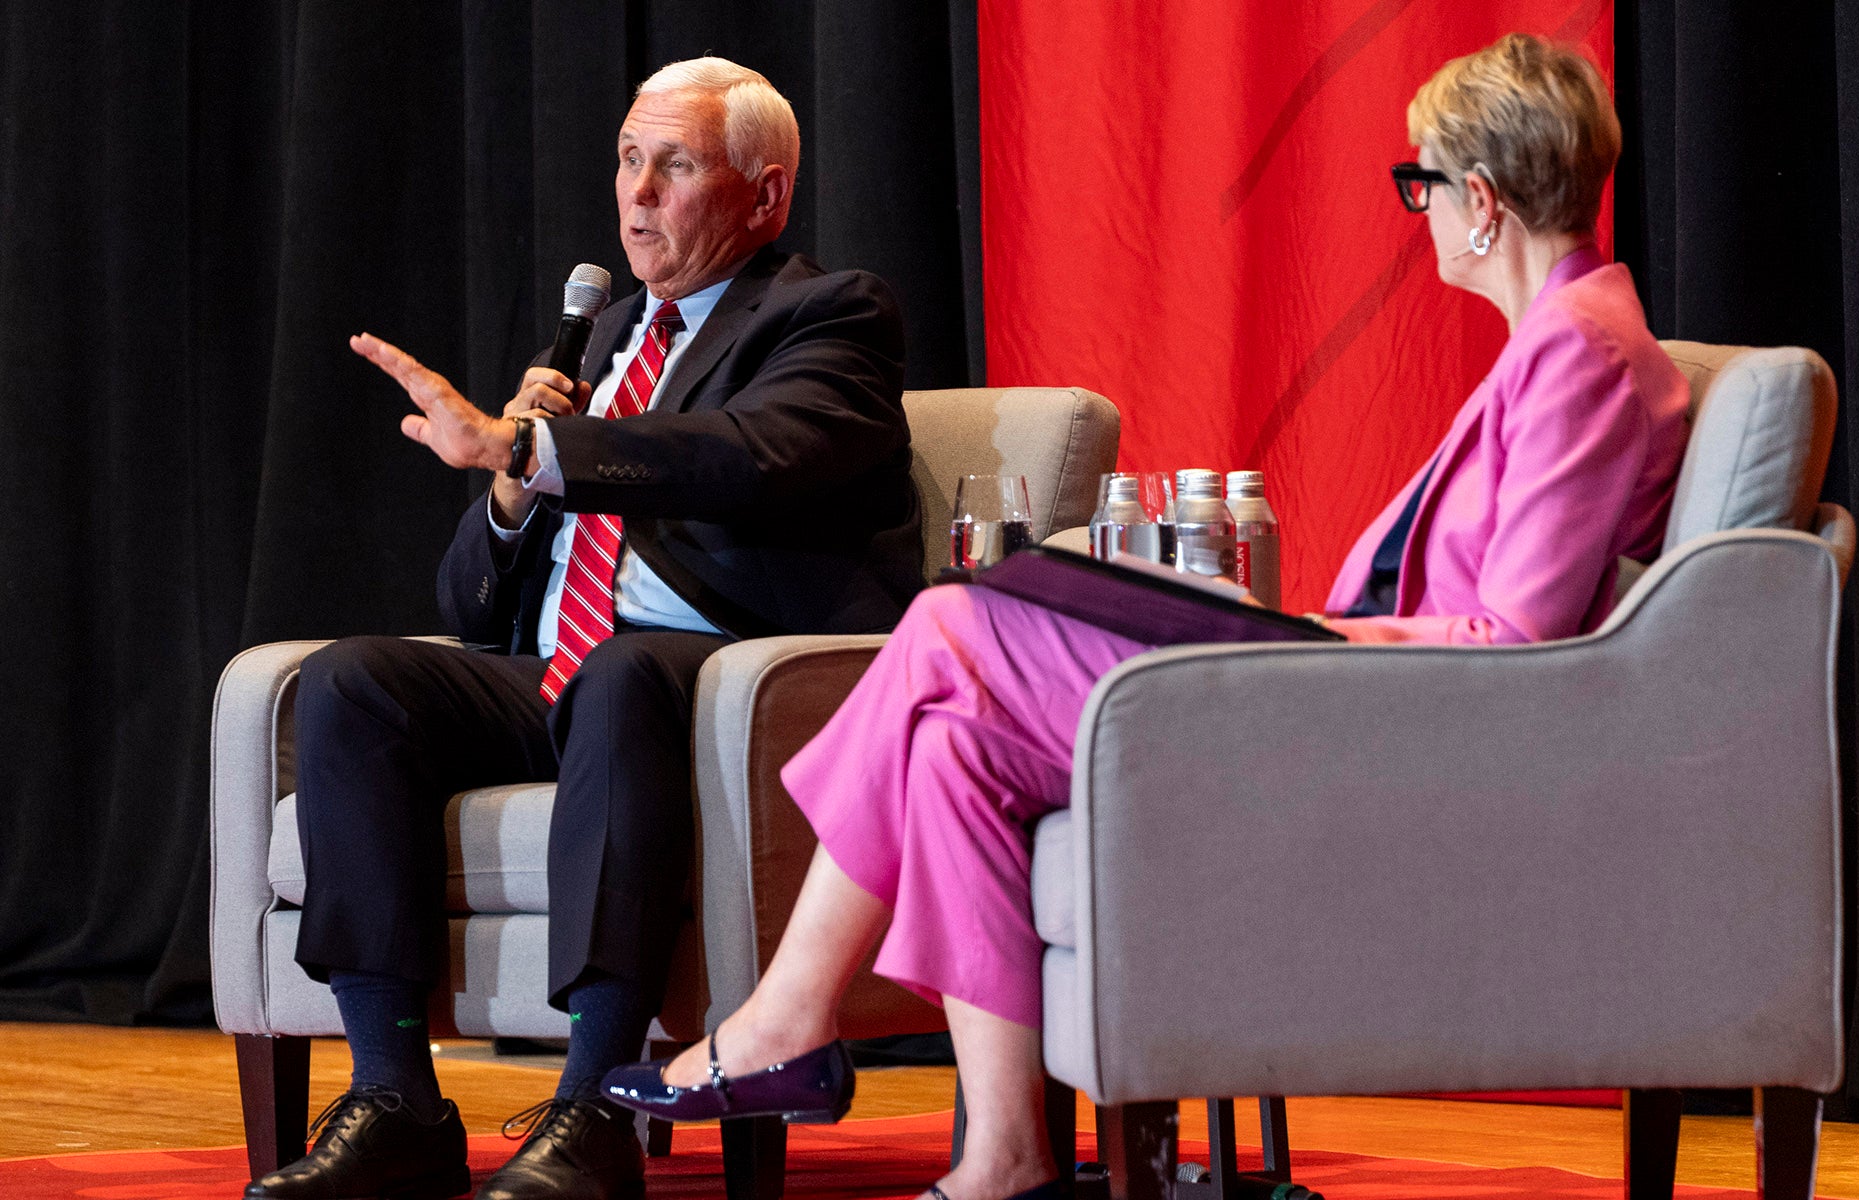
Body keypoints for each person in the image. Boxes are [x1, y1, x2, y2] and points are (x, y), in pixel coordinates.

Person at [597, 33, 1689, 1200]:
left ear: (1478, 201)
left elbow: (1512, 643)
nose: (1412, 214)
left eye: (1417, 186)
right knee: (951, 744)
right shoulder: (1564, 342)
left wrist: (1311, 644)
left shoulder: (1580, 353)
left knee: (946, 628)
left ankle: (790, 1018)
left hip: (1395, 722)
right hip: (1368, 695)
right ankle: (1003, 1158)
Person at [247, 58, 924, 1200]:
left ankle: (595, 1108)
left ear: (763, 196)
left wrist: (537, 452)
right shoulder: (600, 341)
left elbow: (753, 456)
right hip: (566, 677)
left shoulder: (829, 315)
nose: (636, 194)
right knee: (354, 680)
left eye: (674, 164)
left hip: (731, 690)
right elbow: (467, 608)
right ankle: (395, 1097)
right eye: (625, 159)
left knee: (620, 673)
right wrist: (514, 491)